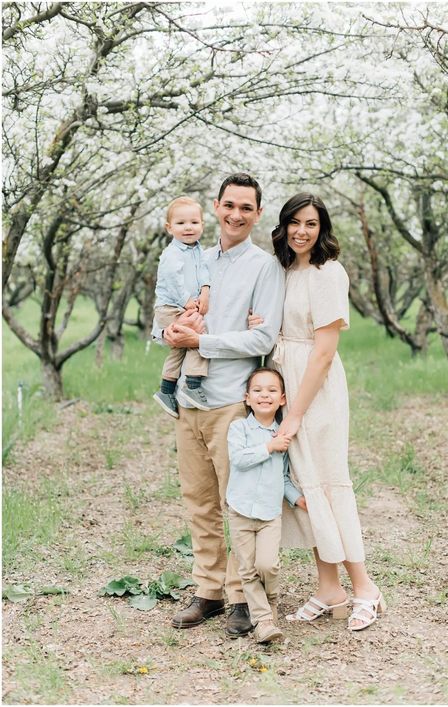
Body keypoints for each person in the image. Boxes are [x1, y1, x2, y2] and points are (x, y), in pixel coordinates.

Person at [160, 174, 285, 637]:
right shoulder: (193, 256)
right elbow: (173, 309)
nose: (235, 214)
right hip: (190, 402)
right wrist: (171, 333)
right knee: (198, 501)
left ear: (257, 213)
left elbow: (262, 336)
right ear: (215, 206)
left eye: (245, 208)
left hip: (232, 402)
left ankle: (241, 596)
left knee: (239, 504)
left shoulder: (264, 267)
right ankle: (208, 590)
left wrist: (203, 341)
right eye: (228, 205)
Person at [255, 192, 385, 631]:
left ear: (322, 227)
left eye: (311, 223)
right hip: (286, 381)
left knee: (328, 484)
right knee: (305, 487)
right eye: (294, 222)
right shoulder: (286, 269)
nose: (302, 231)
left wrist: (294, 415)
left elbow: (325, 352)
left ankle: (364, 587)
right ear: (283, 225)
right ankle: (329, 588)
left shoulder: (329, 273)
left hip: (316, 387)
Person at [226, 367, 306, 643]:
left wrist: (297, 498)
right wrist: (268, 448)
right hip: (240, 511)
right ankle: (263, 620)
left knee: (268, 565)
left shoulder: (282, 435)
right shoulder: (239, 429)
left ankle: (270, 600)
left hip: (270, 514)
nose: (264, 395)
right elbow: (239, 459)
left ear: (282, 399)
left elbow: (282, 477)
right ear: (247, 398)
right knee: (247, 570)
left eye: (271, 390)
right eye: (257, 390)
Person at [152, 196, 211, 417]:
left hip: (181, 306)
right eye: (181, 223)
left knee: (179, 347)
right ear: (169, 228)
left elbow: (204, 271)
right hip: (170, 306)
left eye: (194, 222)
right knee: (198, 339)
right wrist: (187, 301)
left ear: (202, 225)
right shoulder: (172, 253)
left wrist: (205, 289)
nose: (188, 228)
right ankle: (192, 386)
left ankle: (166, 391)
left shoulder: (197, 250)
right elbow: (172, 279)